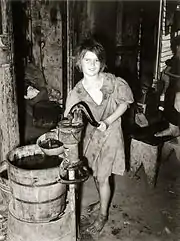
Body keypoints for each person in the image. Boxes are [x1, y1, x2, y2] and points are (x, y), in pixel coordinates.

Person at [64, 38, 134, 235]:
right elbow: (68, 117)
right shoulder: (77, 91)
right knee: (96, 173)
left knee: (103, 177)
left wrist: (108, 121)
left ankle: (103, 214)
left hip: (110, 134)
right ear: (80, 62)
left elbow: (125, 103)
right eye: (87, 60)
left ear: (102, 63)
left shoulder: (112, 81)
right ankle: (102, 201)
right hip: (91, 137)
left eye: (96, 60)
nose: (92, 65)